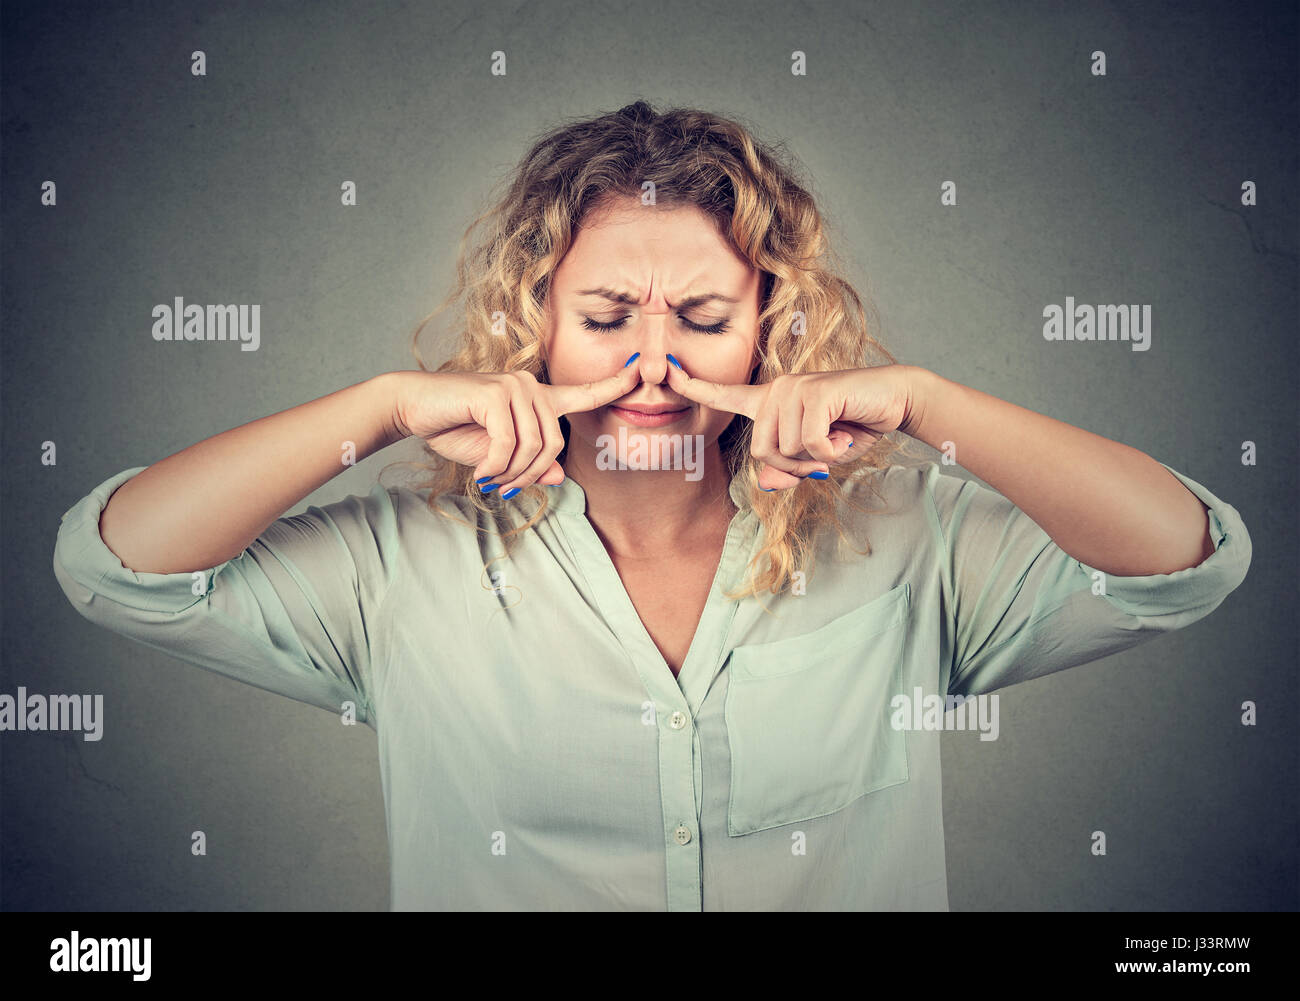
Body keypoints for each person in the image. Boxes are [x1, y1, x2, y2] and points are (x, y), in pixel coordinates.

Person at [52, 100, 1252, 910]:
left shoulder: (903, 539)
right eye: (608, 318)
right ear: (538, 325)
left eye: (707, 320)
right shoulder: (403, 561)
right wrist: (377, 406)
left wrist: (929, 401)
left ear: (773, 325)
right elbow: (117, 567)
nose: (656, 366)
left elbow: (1182, 561)